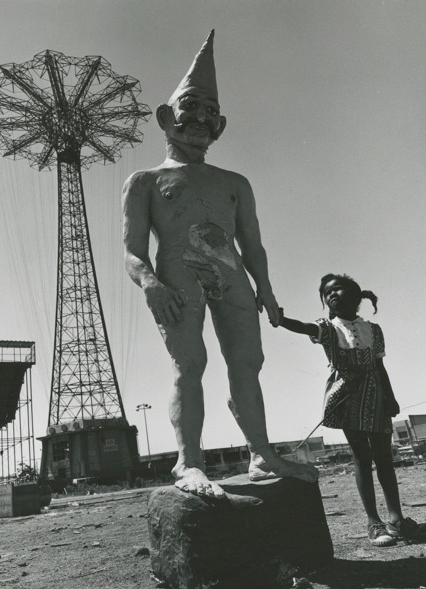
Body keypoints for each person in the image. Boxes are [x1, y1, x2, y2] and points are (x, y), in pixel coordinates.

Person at [122, 30, 318, 499]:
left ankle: (261, 454)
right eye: (190, 107)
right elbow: (132, 250)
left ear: (221, 125)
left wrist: (266, 289)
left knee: (247, 361)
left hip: (231, 275)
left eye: (211, 112)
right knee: (190, 362)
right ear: (166, 117)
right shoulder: (145, 181)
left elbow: (252, 245)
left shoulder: (235, 183)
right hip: (178, 274)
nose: (201, 118)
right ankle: (188, 462)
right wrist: (150, 283)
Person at [277, 273, 418, 546]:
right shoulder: (328, 328)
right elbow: (304, 327)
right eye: (327, 292)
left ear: (355, 295)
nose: (332, 294)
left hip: (376, 394)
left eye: (338, 289)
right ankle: (374, 523)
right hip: (347, 396)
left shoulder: (374, 330)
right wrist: (281, 320)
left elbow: (379, 366)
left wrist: (390, 397)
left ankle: (396, 519)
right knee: (361, 457)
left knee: (384, 457)